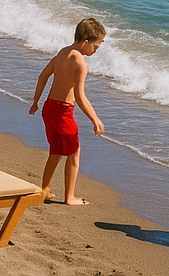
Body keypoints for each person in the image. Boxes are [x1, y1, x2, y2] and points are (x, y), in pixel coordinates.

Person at [28, 18, 106, 206]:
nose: (96, 51)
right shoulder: (80, 63)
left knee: (56, 151)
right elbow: (80, 97)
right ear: (85, 42)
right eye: (96, 46)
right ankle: (70, 197)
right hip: (63, 112)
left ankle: (45, 189)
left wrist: (36, 101)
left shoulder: (62, 52)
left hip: (48, 108)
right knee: (74, 152)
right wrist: (95, 118)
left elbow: (43, 75)